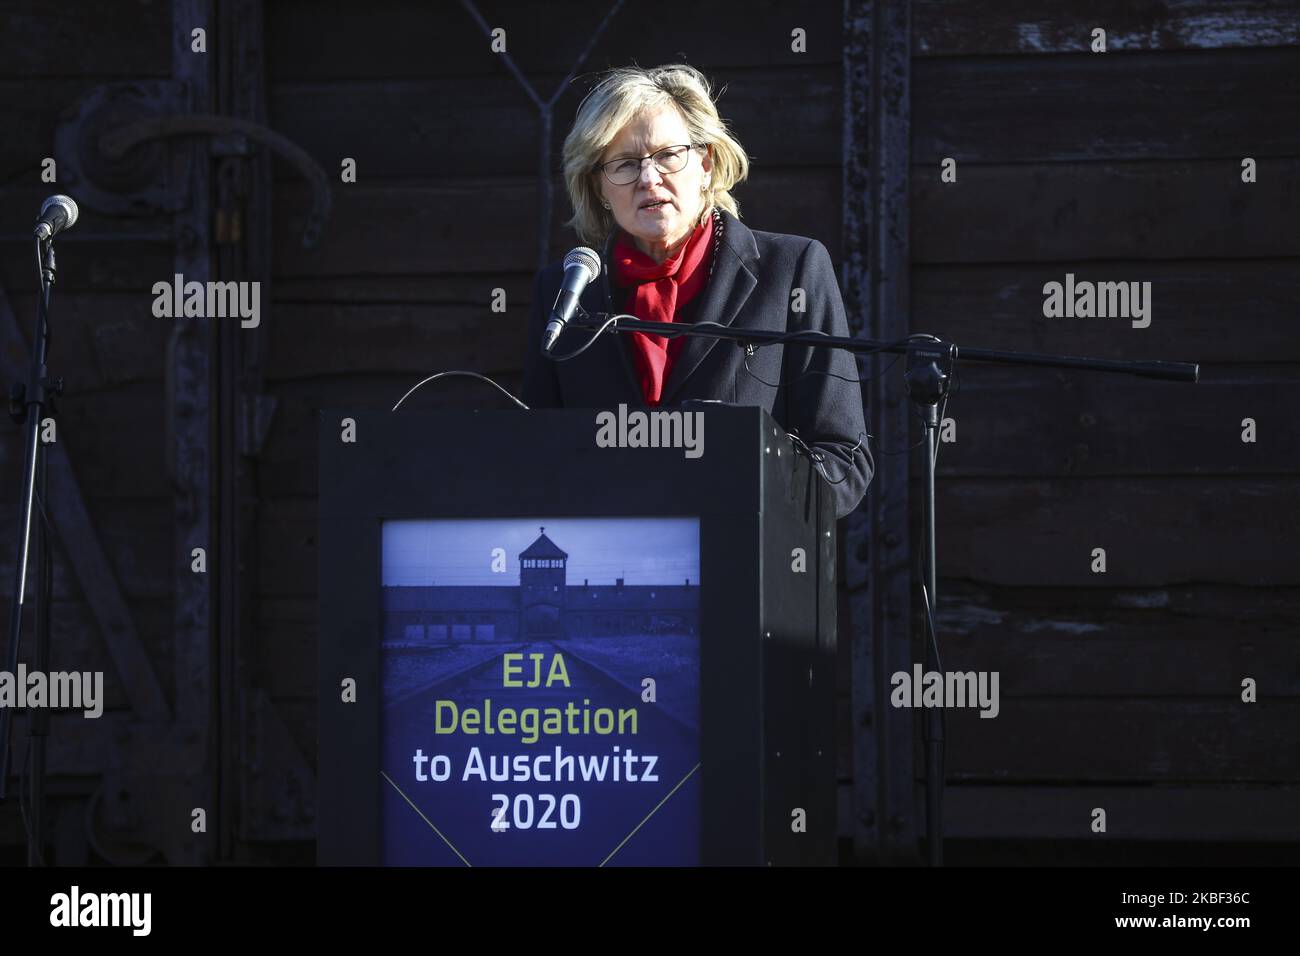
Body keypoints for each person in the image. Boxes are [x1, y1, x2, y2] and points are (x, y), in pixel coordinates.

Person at [521, 64, 872, 519]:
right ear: (600, 187)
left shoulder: (792, 271)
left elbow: (843, 461)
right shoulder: (565, 291)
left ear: (705, 164)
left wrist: (744, 481)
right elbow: (532, 454)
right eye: (625, 164)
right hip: (611, 573)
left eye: (668, 155)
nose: (648, 179)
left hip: (744, 565)